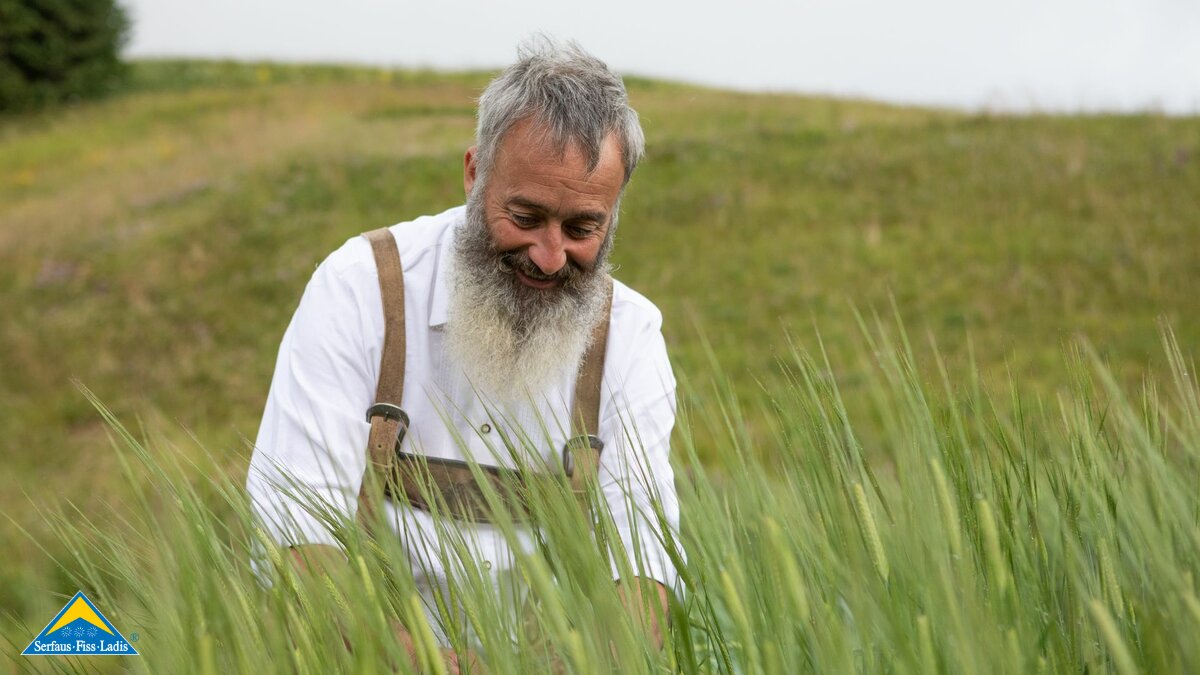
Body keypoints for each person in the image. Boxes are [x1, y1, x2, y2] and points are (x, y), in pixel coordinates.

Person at [246, 38, 680, 670]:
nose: (550, 255)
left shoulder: (630, 337)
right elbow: (295, 543)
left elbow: (642, 574)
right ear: (475, 173)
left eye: (583, 228)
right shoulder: (361, 290)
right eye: (526, 216)